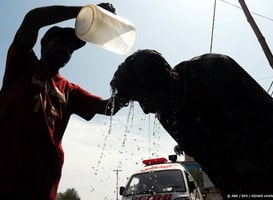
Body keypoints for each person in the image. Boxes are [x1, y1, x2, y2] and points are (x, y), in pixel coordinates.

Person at [0, 3, 127, 200]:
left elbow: (107, 108)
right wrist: (86, 12)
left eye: (71, 49)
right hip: (7, 179)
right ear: (43, 43)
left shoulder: (71, 90)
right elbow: (33, 19)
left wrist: (129, 89)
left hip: (44, 187)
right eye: (61, 42)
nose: (67, 50)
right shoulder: (23, 63)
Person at [110, 49, 273, 196]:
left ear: (158, 83)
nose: (145, 110)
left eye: (144, 99)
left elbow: (265, 119)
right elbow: (212, 165)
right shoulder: (167, 116)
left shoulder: (213, 69)